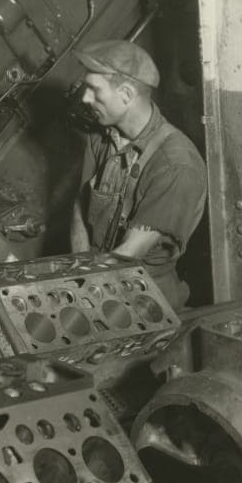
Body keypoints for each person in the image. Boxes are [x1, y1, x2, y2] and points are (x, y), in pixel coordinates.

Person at [69, 40, 207, 309]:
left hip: (145, 295)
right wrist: (79, 268)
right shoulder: (101, 137)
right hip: (97, 276)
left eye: (95, 91)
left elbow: (131, 253)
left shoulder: (176, 164)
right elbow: (79, 206)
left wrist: (81, 291)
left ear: (127, 95)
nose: (86, 99)